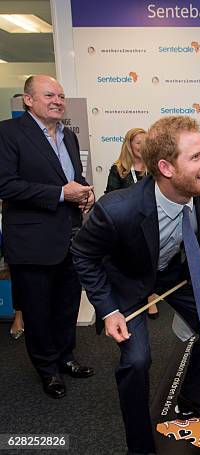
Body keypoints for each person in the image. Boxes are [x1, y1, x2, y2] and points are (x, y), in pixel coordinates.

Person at [71, 116, 200, 455]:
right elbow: (83, 255)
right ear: (166, 168)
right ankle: (140, 447)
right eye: (196, 157)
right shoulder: (118, 210)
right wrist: (109, 309)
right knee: (137, 360)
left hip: (174, 270)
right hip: (128, 279)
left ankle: (191, 399)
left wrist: (194, 254)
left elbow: (190, 226)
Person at [0, 75, 95, 399]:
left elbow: (74, 178)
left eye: (61, 95)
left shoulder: (67, 136)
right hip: (32, 243)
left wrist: (84, 192)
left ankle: (65, 357)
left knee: (67, 305)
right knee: (38, 311)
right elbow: (5, 185)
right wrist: (59, 193)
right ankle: (48, 370)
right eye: (49, 95)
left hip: (70, 238)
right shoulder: (8, 133)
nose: (57, 100)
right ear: (29, 100)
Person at [105, 127, 159, 320]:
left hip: (150, 222)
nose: (142, 146)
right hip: (127, 224)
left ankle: (150, 294)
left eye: (145, 142)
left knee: (150, 257)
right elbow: (110, 196)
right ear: (129, 145)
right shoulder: (118, 169)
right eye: (138, 142)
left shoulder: (153, 168)